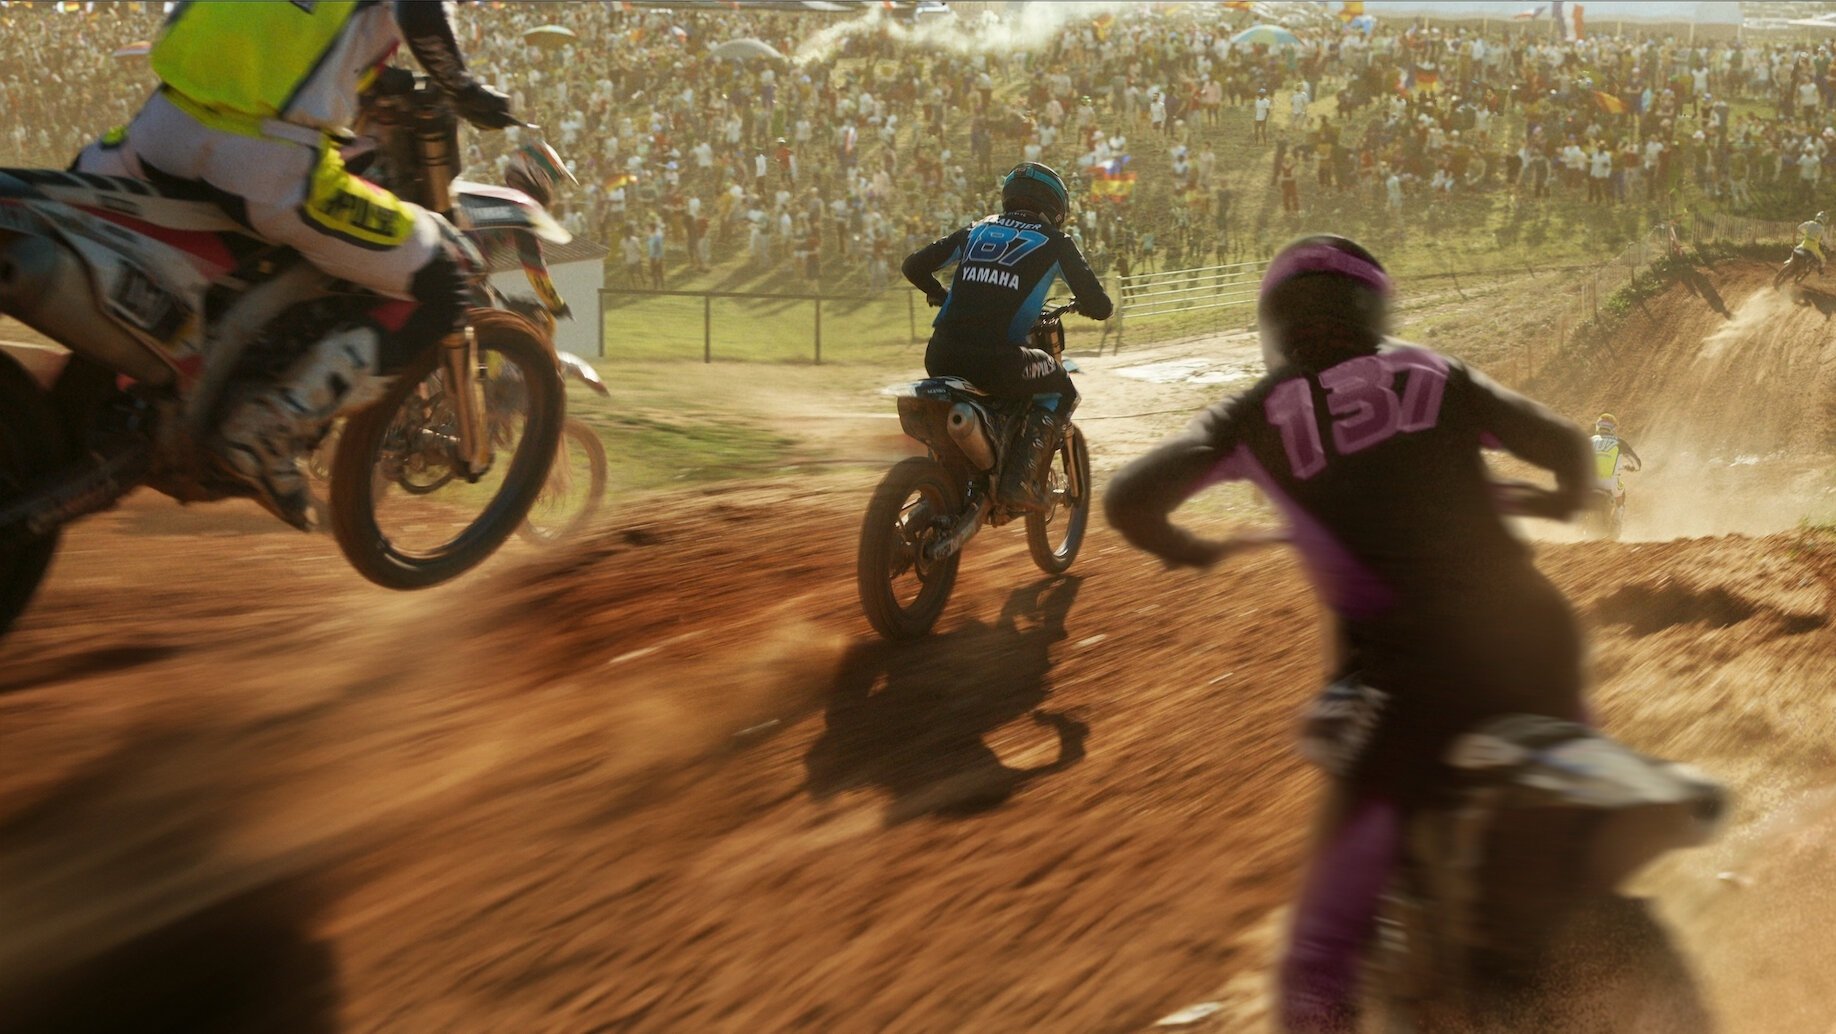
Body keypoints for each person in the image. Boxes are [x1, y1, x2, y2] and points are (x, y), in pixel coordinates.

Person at [1104, 235, 1595, 1033]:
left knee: (1318, 951)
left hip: (1409, 679)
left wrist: (1184, 548)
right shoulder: (1436, 372)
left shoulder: (1256, 414)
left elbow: (1128, 499)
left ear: (1276, 324)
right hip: (1538, 637)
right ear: (1373, 310)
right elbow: (1569, 447)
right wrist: (1567, 500)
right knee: (1582, 798)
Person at [73, 0, 516, 529]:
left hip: (157, 131)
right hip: (263, 162)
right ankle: (268, 429)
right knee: (444, 279)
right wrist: (464, 89)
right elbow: (421, 12)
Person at [901, 162, 1112, 512]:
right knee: (1061, 388)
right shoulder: (1056, 242)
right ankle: (1020, 482)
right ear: (1056, 207)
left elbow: (912, 266)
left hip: (940, 353)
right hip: (996, 360)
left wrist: (939, 293)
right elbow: (1101, 306)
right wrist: (1087, 306)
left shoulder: (977, 228)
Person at [1590, 412, 1642, 504]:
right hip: (1610, 484)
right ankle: (1619, 512)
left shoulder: (1589, 440)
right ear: (1613, 428)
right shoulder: (1619, 442)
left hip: (1589, 482)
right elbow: (1637, 465)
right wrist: (1633, 468)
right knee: (1621, 492)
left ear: (1598, 426)